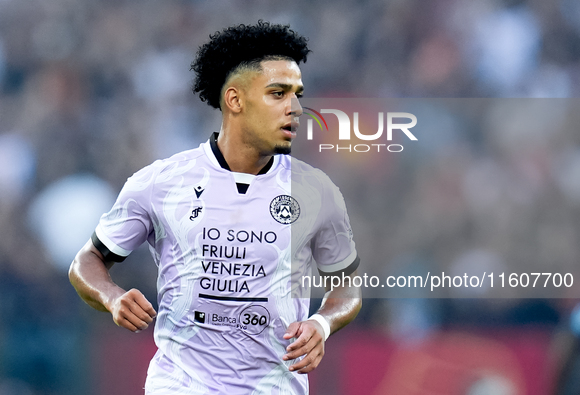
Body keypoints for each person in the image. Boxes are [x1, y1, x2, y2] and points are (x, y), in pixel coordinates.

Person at [69, 21, 362, 394]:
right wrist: (112, 298)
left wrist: (322, 323)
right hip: (179, 385)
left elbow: (347, 287)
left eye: (297, 94)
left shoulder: (316, 192)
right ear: (235, 100)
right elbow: (87, 261)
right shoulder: (160, 182)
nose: (296, 108)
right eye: (278, 93)